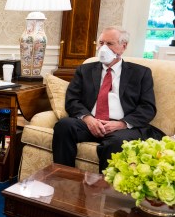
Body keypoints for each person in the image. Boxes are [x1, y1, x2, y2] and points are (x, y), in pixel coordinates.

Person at [52, 26, 164, 172]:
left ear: (123, 47)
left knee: (116, 143)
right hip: (91, 123)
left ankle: (103, 192)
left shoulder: (141, 73)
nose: (103, 48)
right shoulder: (84, 70)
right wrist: (88, 119)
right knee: (64, 125)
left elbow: (147, 108)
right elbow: (72, 100)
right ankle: (64, 178)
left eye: (109, 44)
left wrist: (121, 124)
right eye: (101, 43)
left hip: (122, 128)